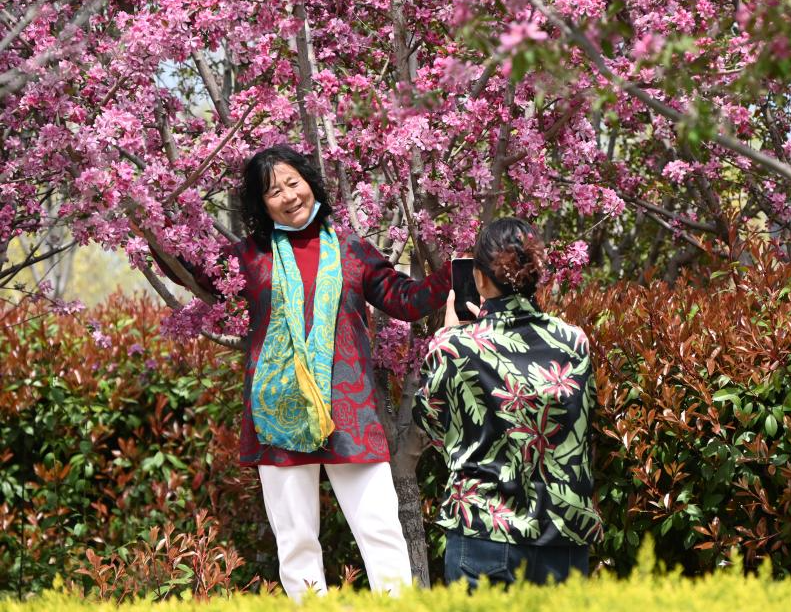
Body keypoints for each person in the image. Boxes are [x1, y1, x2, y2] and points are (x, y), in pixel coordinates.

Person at [152, 144, 451, 600]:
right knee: (296, 542)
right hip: (279, 412)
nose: (289, 196)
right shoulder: (249, 257)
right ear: (259, 204)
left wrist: (456, 274)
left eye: (294, 183)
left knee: (381, 530)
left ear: (311, 182)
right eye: (274, 191)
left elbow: (404, 300)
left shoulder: (352, 249)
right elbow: (191, 268)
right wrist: (148, 222)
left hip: (349, 410)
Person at [412, 217, 603, 588]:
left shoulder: (455, 346)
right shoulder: (573, 341)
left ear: (480, 279)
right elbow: (584, 419)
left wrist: (450, 334)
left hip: (484, 531)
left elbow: (430, 421)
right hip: (563, 534)